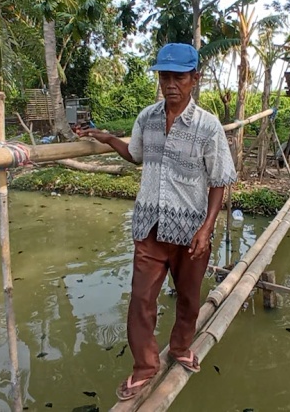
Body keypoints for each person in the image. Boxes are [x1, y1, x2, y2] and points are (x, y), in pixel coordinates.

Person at [79, 43, 237, 401]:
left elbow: (219, 180)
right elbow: (135, 155)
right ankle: (145, 366)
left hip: (191, 231)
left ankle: (181, 348)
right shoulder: (146, 119)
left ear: (194, 79)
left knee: (188, 299)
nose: (170, 84)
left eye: (178, 77)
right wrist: (106, 138)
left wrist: (206, 228)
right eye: (164, 76)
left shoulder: (208, 127)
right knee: (140, 300)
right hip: (149, 226)